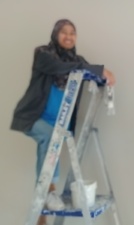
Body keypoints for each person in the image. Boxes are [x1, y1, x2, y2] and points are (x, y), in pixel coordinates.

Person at [10, 19, 115, 225]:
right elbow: (60, 67)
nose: (68, 36)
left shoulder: (77, 60)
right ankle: (49, 193)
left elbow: (87, 71)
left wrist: (105, 77)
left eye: (72, 33)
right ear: (55, 34)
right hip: (33, 117)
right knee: (50, 139)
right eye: (64, 32)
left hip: (59, 123)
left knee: (49, 150)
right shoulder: (43, 54)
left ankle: (42, 212)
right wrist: (99, 69)